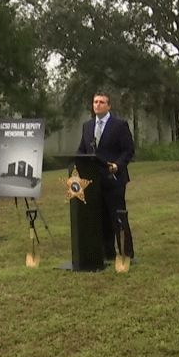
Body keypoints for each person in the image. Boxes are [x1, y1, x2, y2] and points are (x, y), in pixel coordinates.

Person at [76, 91, 135, 260]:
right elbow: (82, 149)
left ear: (109, 106)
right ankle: (107, 252)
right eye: (95, 102)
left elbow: (128, 150)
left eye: (101, 102)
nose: (98, 105)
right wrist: (77, 162)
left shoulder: (119, 125)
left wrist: (117, 165)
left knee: (117, 216)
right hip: (94, 180)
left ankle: (126, 253)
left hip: (114, 179)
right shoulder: (87, 126)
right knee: (101, 218)